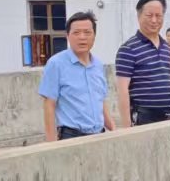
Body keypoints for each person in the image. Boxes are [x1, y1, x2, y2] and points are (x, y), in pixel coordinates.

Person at [39, 11, 117, 140]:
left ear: (94, 36)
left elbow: (100, 101)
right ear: (67, 36)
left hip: (99, 136)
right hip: (72, 137)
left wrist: (113, 128)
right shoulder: (56, 64)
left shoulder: (98, 65)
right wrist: (52, 144)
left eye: (87, 32)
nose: (82, 37)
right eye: (76, 33)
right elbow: (49, 105)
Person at [115, 0, 170, 126]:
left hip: (168, 117)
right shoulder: (128, 49)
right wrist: (126, 128)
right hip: (143, 118)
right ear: (139, 16)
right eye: (149, 15)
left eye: (158, 16)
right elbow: (122, 90)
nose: (154, 20)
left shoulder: (166, 47)